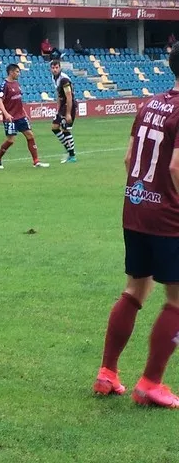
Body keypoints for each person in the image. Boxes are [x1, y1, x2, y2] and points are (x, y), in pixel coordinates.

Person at [93, 46, 179, 407]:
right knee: (177, 300)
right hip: (169, 217)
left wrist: (145, 196)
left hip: (137, 209)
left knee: (135, 289)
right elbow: (176, 167)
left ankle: (107, 373)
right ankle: (150, 384)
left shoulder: (149, 104)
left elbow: (130, 158)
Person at [0, 63, 50, 169]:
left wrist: (24, 113)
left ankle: (36, 161)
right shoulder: (4, 85)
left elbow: (18, 100)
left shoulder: (16, 83)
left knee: (30, 135)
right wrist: (6, 114)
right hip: (10, 117)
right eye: (17, 72)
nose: (19, 74)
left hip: (20, 116)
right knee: (10, 140)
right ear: (11, 72)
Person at [50, 52, 78, 163]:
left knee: (65, 129)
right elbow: (58, 94)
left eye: (56, 67)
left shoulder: (64, 79)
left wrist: (68, 113)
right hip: (62, 106)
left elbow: (69, 96)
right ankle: (68, 148)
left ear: (60, 68)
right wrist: (58, 109)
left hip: (68, 105)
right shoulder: (54, 78)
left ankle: (72, 155)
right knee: (54, 127)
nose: (55, 69)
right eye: (53, 68)